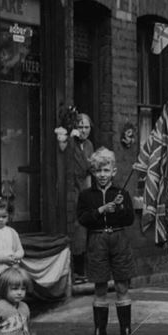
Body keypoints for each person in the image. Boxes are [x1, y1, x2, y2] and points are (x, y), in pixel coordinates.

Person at [77, 147, 137, 335]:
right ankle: (99, 333)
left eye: (106, 170)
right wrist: (101, 209)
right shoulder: (86, 195)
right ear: (93, 172)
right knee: (100, 286)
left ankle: (126, 332)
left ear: (114, 171)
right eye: (98, 171)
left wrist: (119, 206)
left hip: (118, 239)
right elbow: (83, 219)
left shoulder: (121, 193)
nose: (102, 175)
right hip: (96, 241)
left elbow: (129, 219)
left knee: (121, 285)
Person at [70, 113, 95, 284]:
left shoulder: (89, 145)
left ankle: (82, 270)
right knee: (76, 228)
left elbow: (89, 170)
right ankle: (75, 272)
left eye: (86, 127)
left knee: (84, 229)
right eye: (80, 127)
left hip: (84, 189)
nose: (84, 130)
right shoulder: (71, 143)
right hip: (71, 189)